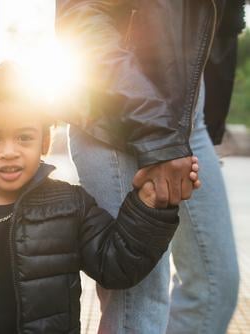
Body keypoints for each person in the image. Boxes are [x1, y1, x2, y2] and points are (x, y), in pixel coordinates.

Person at [0, 62, 200, 333]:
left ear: (44, 140)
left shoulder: (70, 206)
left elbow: (117, 263)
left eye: (24, 137)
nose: (9, 151)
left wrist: (150, 204)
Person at [56, 1, 244, 333]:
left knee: (215, 287)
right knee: (139, 303)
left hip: (189, 117)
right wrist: (158, 136)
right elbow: (83, 17)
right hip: (116, 114)